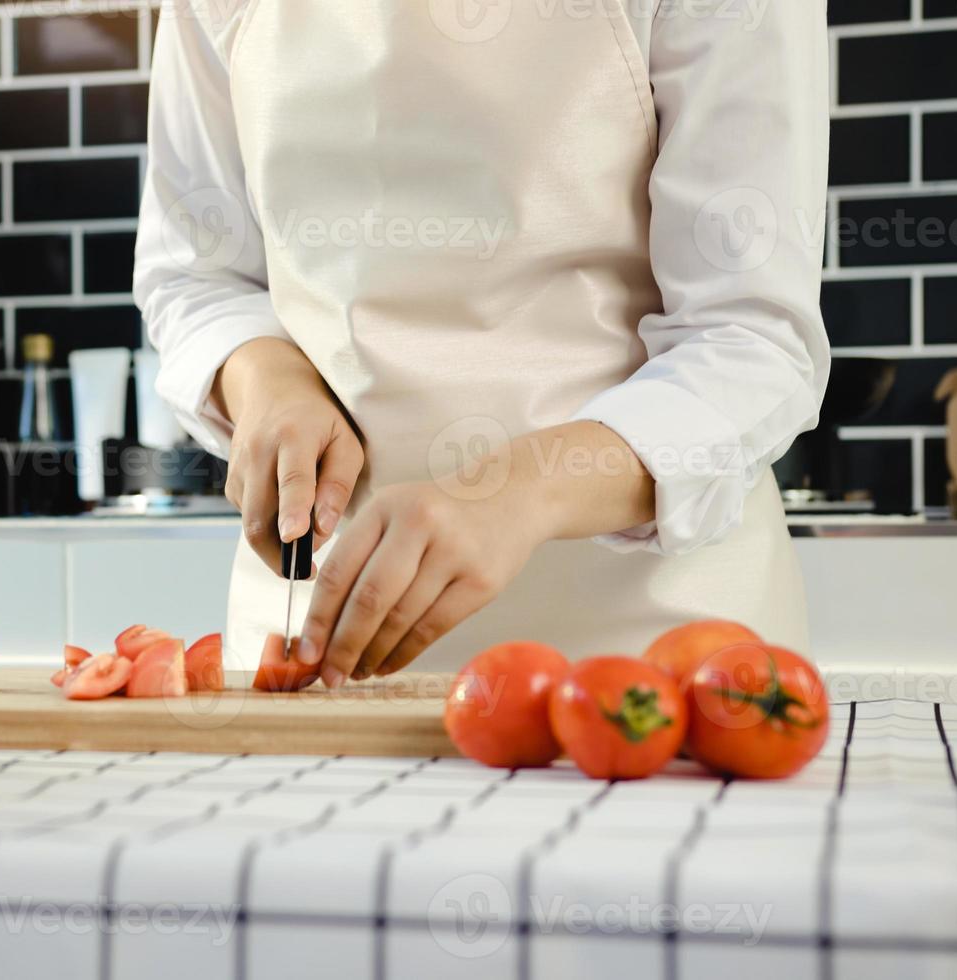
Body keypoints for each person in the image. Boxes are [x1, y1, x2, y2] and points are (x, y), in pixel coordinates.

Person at [134, 0, 829, 688]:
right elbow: (196, 277)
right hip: (320, 638)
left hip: (650, 660)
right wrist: (268, 382)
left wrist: (518, 495)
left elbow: (750, 337)